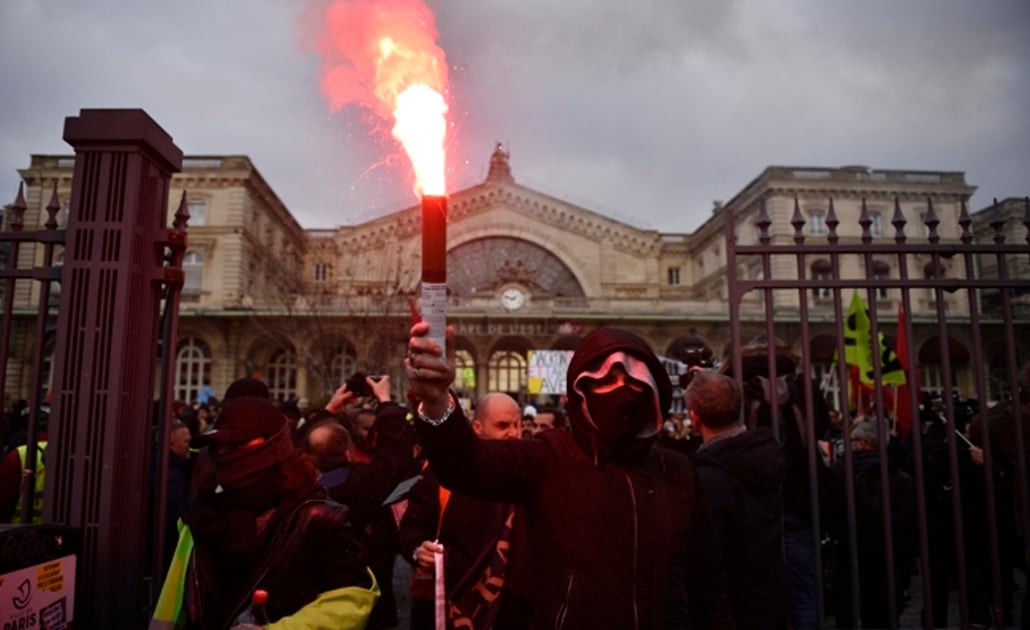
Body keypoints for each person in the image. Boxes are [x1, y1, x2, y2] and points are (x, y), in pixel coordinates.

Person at [406, 323, 732, 628]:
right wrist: (436, 403)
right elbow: (468, 465)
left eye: (635, 382)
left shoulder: (677, 472)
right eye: (606, 380)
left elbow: (707, 582)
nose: (623, 393)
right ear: (581, 392)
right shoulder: (550, 457)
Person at [150, 396, 379, 629]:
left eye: (238, 445)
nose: (225, 454)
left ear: (273, 446)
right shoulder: (201, 514)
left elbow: (355, 596)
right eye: (218, 446)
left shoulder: (319, 518)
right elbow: (173, 600)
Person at [399, 392, 522, 630]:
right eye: (502, 425)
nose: (513, 433)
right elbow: (412, 526)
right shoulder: (443, 472)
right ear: (477, 427)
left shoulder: (528, 474)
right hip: (444, 604)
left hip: (508, 609)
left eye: (517, 425)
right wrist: (418, 548)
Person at [686, 370, 787, 629]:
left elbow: (706, 560)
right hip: (767, 600)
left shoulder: (710, 477)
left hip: (730, 610)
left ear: (694, 416)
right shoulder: (762, 455)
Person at [827, 420, 917, 629]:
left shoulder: (839, 472)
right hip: (889, 560)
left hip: (850, 557)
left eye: (852, 440)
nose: (847, 445)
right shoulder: (900, 476)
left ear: (865, 443)